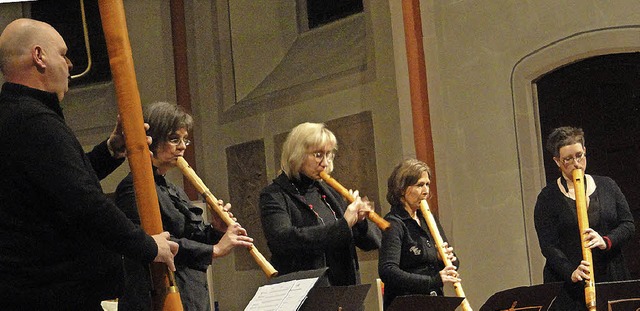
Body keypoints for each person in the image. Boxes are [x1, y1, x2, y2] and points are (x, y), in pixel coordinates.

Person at [0, 18, 178, 310]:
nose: (70, 64)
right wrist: (148, 246)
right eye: (63, 53)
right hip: (52, 298)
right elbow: (85, 203)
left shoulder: (16, 116)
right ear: (39, 56)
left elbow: (60, 184)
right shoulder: (34, 122)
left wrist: (111, 150)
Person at [116, 101, 254, 311]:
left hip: (190, 291)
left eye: (185, 140)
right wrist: (214, 250)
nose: (182, 147)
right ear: (152, 140)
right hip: (157, 298)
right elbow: (153, 243)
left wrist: (217, 229)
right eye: (174, 139)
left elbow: (191, 235)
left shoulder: (173, 189)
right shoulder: (133, 187)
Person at [259, 122, 381, 286]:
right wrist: (344, 225)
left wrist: (359, 221)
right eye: (318, 155)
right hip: (307, 292)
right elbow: (284, 240)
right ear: (297, 154)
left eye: (328, 154)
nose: (324, 162)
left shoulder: (329, 191)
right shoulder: (274, 195)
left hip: (345, 289)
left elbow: (371, 243)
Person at [534, 126, 635, 311]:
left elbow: (628, 225)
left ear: (585, 151)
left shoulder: (607, 185)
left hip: (610, 278)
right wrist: (571, 271)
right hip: (570, 287)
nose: (576, 163)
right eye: (568, 159)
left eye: (579, 155)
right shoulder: (547, 198)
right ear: (557, 161)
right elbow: (548, 245)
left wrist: (606, 241)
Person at [378, 159, 460, 309]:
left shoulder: (429, 219)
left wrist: (442, 258)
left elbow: (454, 264)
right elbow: (388, 271)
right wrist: (433, 281)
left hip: (434, 301)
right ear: (402, 189)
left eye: (427, 184)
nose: (426, 191)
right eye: (420, 185)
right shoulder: (394, 223)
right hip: (407, 304)